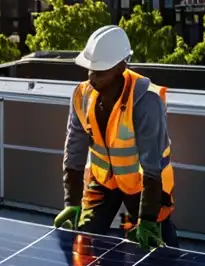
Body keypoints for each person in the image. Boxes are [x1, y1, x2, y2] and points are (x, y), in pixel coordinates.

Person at [53, 25, 178, 250]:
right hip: (103, 182)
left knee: (158, 251)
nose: (92, 78)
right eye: (90, 70)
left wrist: (148, 219)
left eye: (100, 71)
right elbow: (74, 152)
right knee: (83, 245)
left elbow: (152, 167)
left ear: (120, 67)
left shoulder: (146, 101)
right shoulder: (82, 96)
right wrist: (71, 203)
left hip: (143, 187)